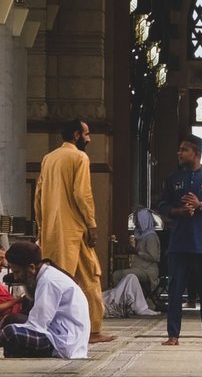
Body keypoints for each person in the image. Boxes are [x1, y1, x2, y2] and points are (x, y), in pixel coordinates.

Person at [34, 119, 114, 343]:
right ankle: (93, 330)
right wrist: (92, 225)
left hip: (52, 234)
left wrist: (42, 229)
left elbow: (38, 197)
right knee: (90, 278)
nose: (89, 139)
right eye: (87, 135)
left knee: (54, 281)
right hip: (74, 233)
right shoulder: (79, 157)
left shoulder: (48, 158)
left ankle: (55, 328)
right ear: (77, 135)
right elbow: (82, 195)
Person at [158, 134, 202, 346]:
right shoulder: (173, 179)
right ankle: (173, 335)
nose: (179, 153)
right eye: (179, 150)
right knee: (176, 291)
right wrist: (178, 211)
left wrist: (201, 206)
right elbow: (162, 206)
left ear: (196, 153)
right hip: (179, 245)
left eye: (184, 150)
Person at [0, 242, 89, 358]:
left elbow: (38, 324)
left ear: (31, 268)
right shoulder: (44, 276)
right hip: (55, 333)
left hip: (63, 343)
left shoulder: (48, 281)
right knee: (12, 321)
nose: (16, 277)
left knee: (10, 332)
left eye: (17, 272)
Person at [113, 208, 161, 290]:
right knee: (119, 274)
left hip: (147, 271)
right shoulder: (142, 237)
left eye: (137, 220)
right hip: (139, 268)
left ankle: (120, 297)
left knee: (119, 275)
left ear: (143, 220)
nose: (135, 223)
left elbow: (154, 257)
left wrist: (137, 252)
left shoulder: (150, 237)